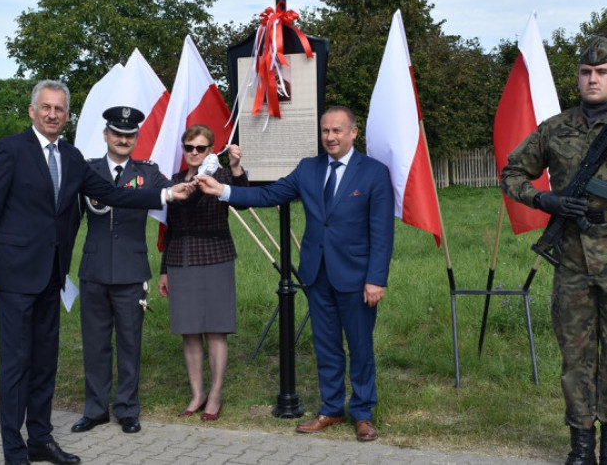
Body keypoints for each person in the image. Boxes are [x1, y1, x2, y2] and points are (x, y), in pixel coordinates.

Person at [0, 80, 194, 465]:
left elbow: (115, 194)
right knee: (16, 364)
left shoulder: (72, 157)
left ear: (67, 115)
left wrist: (166, 194)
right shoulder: (11, 150)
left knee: (45, 363)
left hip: (52, 276)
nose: (53, 114)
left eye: (59, 109)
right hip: (14, 276)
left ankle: (40, 438)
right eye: (46, 107)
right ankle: (13, 448)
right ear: (32, 111)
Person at [197, 106, 394, 441]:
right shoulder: (308, 169)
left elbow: (382, 231)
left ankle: (362, 413)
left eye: (337, 131)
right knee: (327, 346)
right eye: (325, 131)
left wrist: (376, 278)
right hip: (316, 276)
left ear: (353, 133)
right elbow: (269, 194)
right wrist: (224, 192)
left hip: (358, 279)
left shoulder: (374, 173)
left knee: (360, 348)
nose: (330, 137)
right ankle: (331, 409)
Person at [501, 36, 607, 465]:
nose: (592, 79)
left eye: (601, 72)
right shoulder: (554, 128)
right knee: (575, 357)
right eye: (585, 72)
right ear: (577, 77)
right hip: (573, 260)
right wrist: (546, 201)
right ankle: (581, 447)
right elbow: (511, 172)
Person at [70, 106, 170, 435]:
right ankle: (96, 409)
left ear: (136, 138)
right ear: (106, 135)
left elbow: (177, 195)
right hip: (94, 269)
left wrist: (207, 173)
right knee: (95, 343)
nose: (123, 139)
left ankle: (127, 408)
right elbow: (67, 217)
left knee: (129, 343)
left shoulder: (149, 173)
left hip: (131, 270)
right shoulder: (86, 170)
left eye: (129, 135)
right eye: (117, 133)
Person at [158, 124, 247, 421]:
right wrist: (164, 271)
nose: (194, 153)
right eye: (189, 148)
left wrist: (236, 168)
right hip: (181, 259)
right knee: (190, 331)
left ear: (211, 150)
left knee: (215, 329)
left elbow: (244, 200)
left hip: (216, 257)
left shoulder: (220, 176)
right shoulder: (173, 182)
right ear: (183, 150)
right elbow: (168, 227)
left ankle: (216, 394)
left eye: (201, 148)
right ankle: (197, 393)